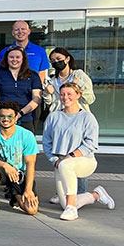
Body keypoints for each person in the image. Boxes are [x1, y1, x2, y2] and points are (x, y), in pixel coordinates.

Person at [42, 83, 115, 221]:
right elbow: (46, 142)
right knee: (65, 203)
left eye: (69, 94)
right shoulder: (53, 117)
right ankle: (96, 195)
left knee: (66, 165)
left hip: (84, 161)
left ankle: (72, 210)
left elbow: (91, 144)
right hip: (60, 163)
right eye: (62, 94)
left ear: (78, 95)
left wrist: (70, 157)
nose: (65, 97)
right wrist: (54, 159)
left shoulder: (87, 117)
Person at [0, 102, 39, 215]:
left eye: (10, 116)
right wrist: (5, 165)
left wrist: (28, 190)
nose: (6, 119)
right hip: (1, 170)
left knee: (32, 210)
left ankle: (14, 195)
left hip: (19, 174)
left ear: (16, 117)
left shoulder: (27, 135)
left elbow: (31, 163)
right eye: (2, 116)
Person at [0, 46, 42, 133]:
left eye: (18, 57)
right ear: (7, 59)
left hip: (25, 118)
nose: (14, 59)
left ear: (23, 59)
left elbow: (36, 99)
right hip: (3, 119)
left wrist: (19, 114)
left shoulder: (33, 75)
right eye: (11, 57)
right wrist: (5, 115)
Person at [43, 47, 95, 113]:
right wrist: (46, 93)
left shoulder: (79, 75)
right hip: (59, 118)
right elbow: (49, 102)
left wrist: (78, 85)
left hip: (78, 117)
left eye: (59, 59)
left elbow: (90, 99)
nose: (56, 62)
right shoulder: (52, 81)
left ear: (67, 59)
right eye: (53, 61)